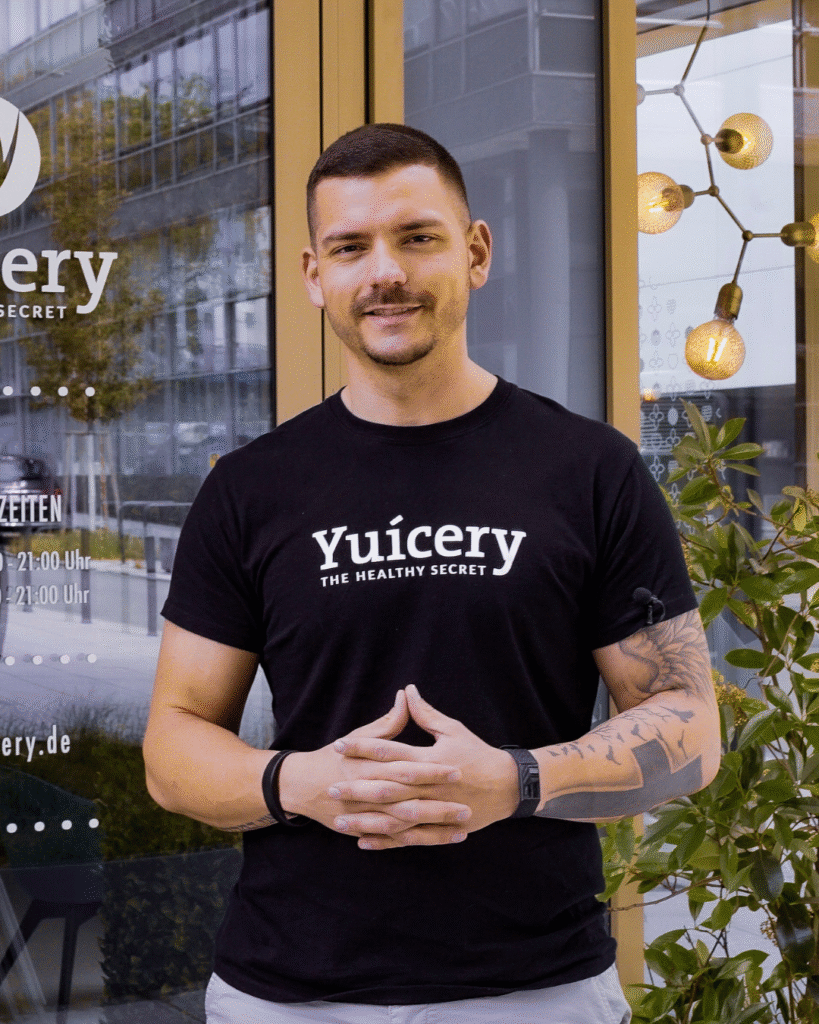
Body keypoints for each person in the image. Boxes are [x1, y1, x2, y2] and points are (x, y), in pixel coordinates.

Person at [143, 123, 721, 1024]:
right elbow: (172, 747)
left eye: (417, 237)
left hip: (537, 990)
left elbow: (688, 725)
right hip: (289, 994)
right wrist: (298, 784)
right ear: (312, 275)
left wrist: (517, 780)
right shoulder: (249, 490)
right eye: (350, 247)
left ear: (475, 251)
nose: (385, 272)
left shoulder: (589, 471)